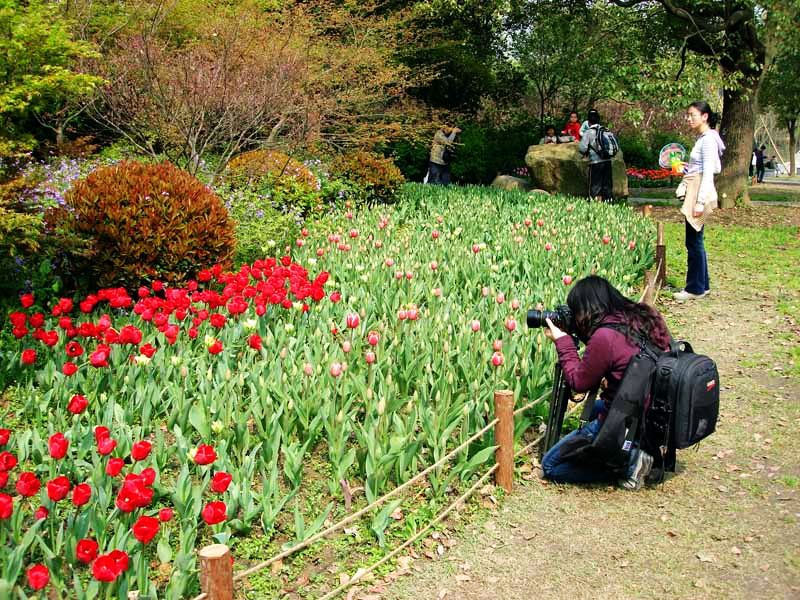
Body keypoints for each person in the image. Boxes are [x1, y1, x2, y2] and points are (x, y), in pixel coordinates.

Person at [541, 275, 672, 490]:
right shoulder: (646, 315)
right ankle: (638, 449)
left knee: (551, 465)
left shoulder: (605, 336)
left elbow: (578, 382)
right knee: (597, 407)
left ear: (586, 309)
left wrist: (563, 341)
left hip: (630, 416)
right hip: (657, 412)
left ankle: (631, 462)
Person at [673, 101, 725, 302]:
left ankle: (694, 288)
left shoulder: (708, 140)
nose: (688, 118)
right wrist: (689, 168)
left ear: (704, 116)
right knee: (696, 240)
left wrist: (700, 202)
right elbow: (714, 167)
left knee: (694, 242)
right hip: (695, 188)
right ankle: (703, 284)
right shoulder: (706, 139)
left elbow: (710, 173)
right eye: (688, 115)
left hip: (698, 193)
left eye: (692, 114)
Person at [578, 109, 613, 202]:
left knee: (595, 185)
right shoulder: (605, 130)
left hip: (595, 162)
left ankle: (593, 203)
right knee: (607, 184)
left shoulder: (589, 132)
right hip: (607, 161)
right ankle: (609, 203)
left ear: (588, 122)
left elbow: (582, 148)